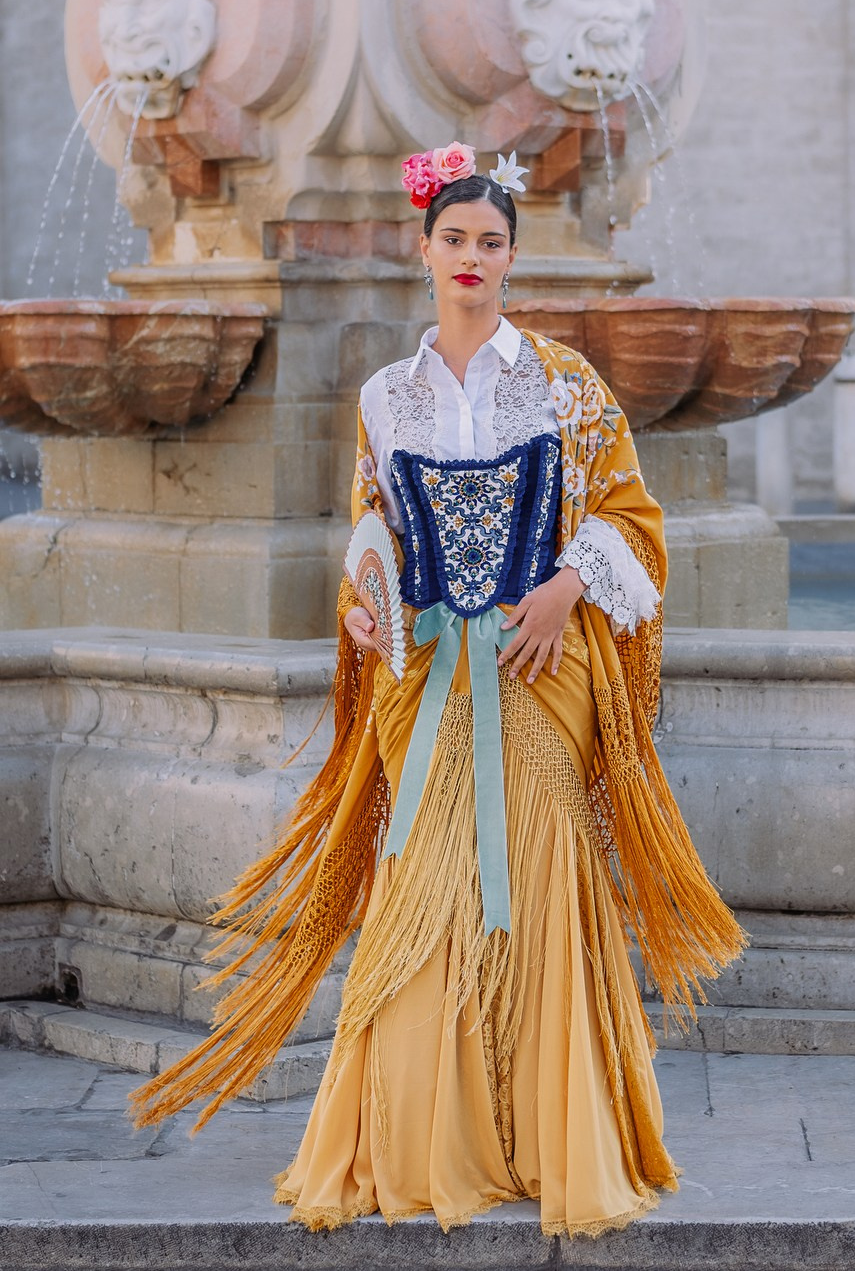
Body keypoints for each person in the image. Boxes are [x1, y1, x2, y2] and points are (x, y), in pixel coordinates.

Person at [130, 144, 745, 1236]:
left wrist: (562, 589)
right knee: (422, 895)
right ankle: (420, 1140)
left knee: (540, 890)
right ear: (424, 252)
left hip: (537, 671)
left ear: (512, 258)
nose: (472, 257)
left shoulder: (565, 385)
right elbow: (372, 522)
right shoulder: (383, 396)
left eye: (491, 242)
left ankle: (547, 1141)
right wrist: (361, 606)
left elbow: (632, 522)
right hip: (421, 680)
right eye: (454, 240)